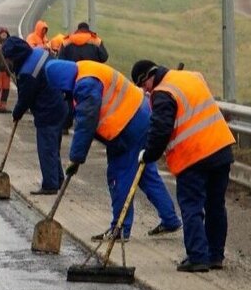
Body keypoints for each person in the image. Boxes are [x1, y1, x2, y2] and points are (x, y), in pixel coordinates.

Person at [45, 59, 182, 241]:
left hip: (127, 128)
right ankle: (170, 219)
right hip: (142, 115)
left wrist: (76, 158)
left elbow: (86, 122)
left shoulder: (85, 85)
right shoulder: (85, 68)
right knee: (145, 173)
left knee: (119, 175)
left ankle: (119, 228)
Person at [132, 60, 235, 273]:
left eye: (144, 86)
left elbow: (160, 130)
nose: (146, 91)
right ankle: (215, 256)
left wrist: (149, 154)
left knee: (191, 205)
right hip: (221, 148)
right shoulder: (192, 77)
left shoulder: (163, 93)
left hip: (193, 157)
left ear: (149, 77)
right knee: (216, 204)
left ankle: (198, 257)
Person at [1, 36, 68, 195]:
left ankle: (50, 185)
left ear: (15, 55)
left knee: (46, 148)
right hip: (61, 104)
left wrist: (16, 113)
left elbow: (25, 98)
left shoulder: (27, 73)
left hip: (48, 111)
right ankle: (58, 179)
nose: (9, 62)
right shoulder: (39, 53)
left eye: (9, 58)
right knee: (53, 147)